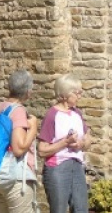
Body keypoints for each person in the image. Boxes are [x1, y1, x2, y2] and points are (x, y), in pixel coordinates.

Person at [38, 74, 90, 213]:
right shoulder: (52, 115)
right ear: (65, 94)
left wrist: (81, 144)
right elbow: (42, 150)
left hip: (77, 167)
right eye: (77, 92)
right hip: (57, 168)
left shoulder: (77, 113)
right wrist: (65, 142)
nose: (80, 95)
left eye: (80, 92)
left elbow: (88, 139)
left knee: (81, 209)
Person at [0, 69, 40, 213]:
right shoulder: (18, 111)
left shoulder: (0, 107)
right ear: (28, 92)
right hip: (16, 179)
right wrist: (33, 129)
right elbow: (19, 148)